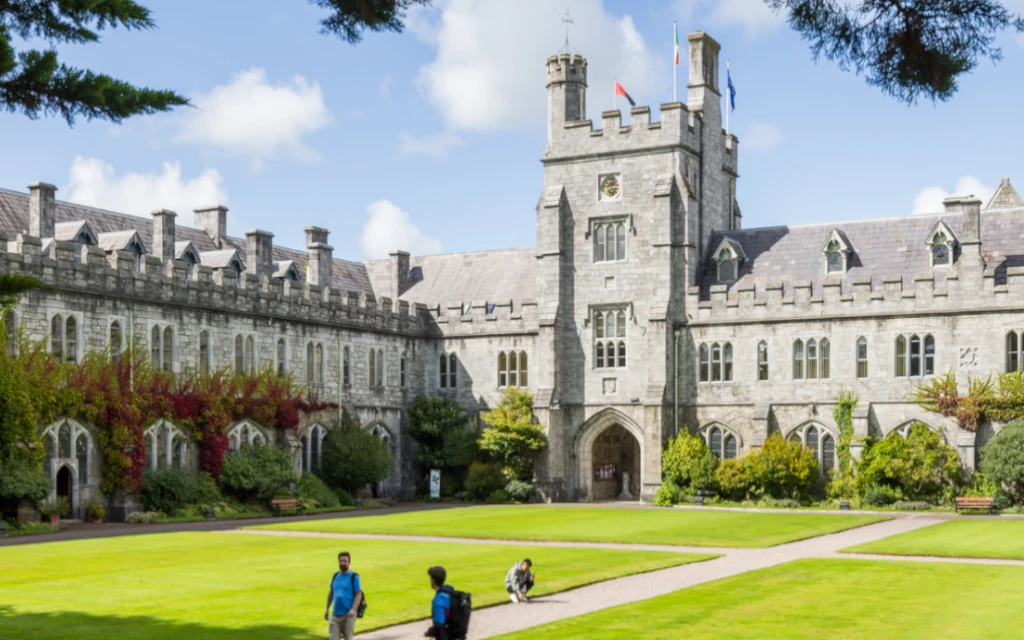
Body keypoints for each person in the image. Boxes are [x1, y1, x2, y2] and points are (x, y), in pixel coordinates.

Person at [325, 551, 363, 640]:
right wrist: (327, 608)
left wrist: (353, 609)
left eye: (345, 561)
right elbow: (331, 593)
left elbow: (358, 594)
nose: (343, 563)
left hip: (348, 615)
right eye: (341, 561)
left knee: (348, 638)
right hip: (335, 615)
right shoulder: (335, 576)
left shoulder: (354, 577)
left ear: (349, 562)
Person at [426, 565, 455, 639]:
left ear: (433, 581)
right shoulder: (451, 593)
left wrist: (430, 631)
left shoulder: (439, 599)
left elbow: (439, 623)